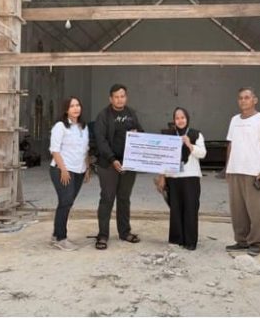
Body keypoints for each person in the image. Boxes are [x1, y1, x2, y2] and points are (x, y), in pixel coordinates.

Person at [94, 83, 144, 250]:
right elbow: (101, 140)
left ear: (126, 97)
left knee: (124, 198)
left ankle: (124, 232)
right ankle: (103, 235)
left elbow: (141, 133)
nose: (119, 99)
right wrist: (112, 159)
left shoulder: (131, 114)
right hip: (108, 164)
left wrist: (139, 134)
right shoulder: (103, 115)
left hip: (129, 164)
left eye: (122, 96)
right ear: (111, 98)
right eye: (116, 96)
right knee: (107, 198)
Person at [224, 87, 260, 257]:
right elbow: (230, 144)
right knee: (238, 209)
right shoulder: (234, 120)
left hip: (254, 171)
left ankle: (256, 242)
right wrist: (227, 167)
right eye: (241, 98)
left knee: (255, 210)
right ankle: (241, 241)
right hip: (235, 170)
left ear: (255, 100)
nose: (243, 100)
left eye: (247, 97)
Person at [155, 108, 206, 250]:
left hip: (191, 177)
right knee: (175, 209)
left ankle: (190, 242)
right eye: (177, 118)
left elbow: (202, 154)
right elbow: (163, 157)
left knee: (190, 208)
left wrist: (189, 144)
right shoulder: (169, 135)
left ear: (187, 118)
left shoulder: (196, 134)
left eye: (182, 117)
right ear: (174, 120)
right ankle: (176, 240)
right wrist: (162, 177)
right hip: (173, 177)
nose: (180, 120)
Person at [48, 96, 91, 251]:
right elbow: (55, 150)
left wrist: (87, 168)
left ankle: (56, 235)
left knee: (67, 203)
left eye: (78, 105)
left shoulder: (83, 127)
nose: (76, 108)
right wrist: (64, 170)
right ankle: (61, 238)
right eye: (72, 106)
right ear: (66, 109)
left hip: (79, 170)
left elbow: (85, 149)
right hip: (62, 170)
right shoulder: (60, 126)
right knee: (65, 201)